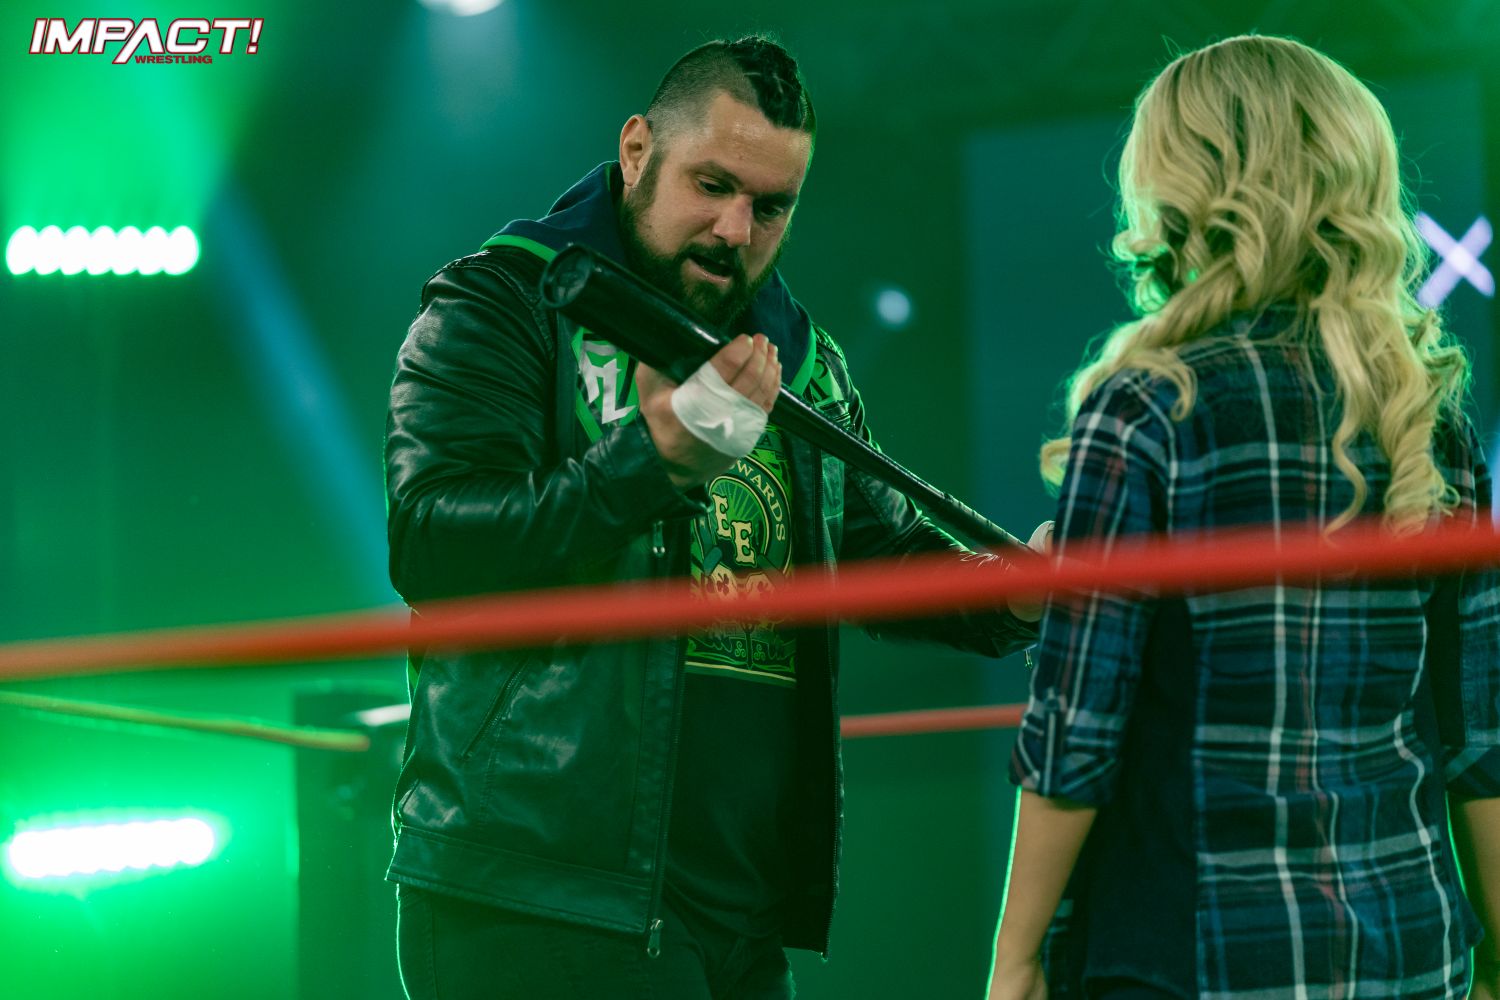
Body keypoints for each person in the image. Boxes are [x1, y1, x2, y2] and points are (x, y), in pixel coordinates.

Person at [384, 35, 1041, 1000]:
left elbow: (887, 553)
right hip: (542, 892)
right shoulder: (505, 301)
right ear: (638, 150)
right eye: (713, 184)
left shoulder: (798, 359)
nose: (736, 229)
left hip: (739, 917)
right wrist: (651, 462)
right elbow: (434, 544)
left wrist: (1019, 594)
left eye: (770, 206)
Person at [986, 34, 1500, 1000]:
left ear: (1182, 187)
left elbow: (1075, 732)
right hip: (1412, 951)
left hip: (1202, 957)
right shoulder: (1426, 417)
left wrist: (1013, 961)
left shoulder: (1149, 407)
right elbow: (1482, 735)